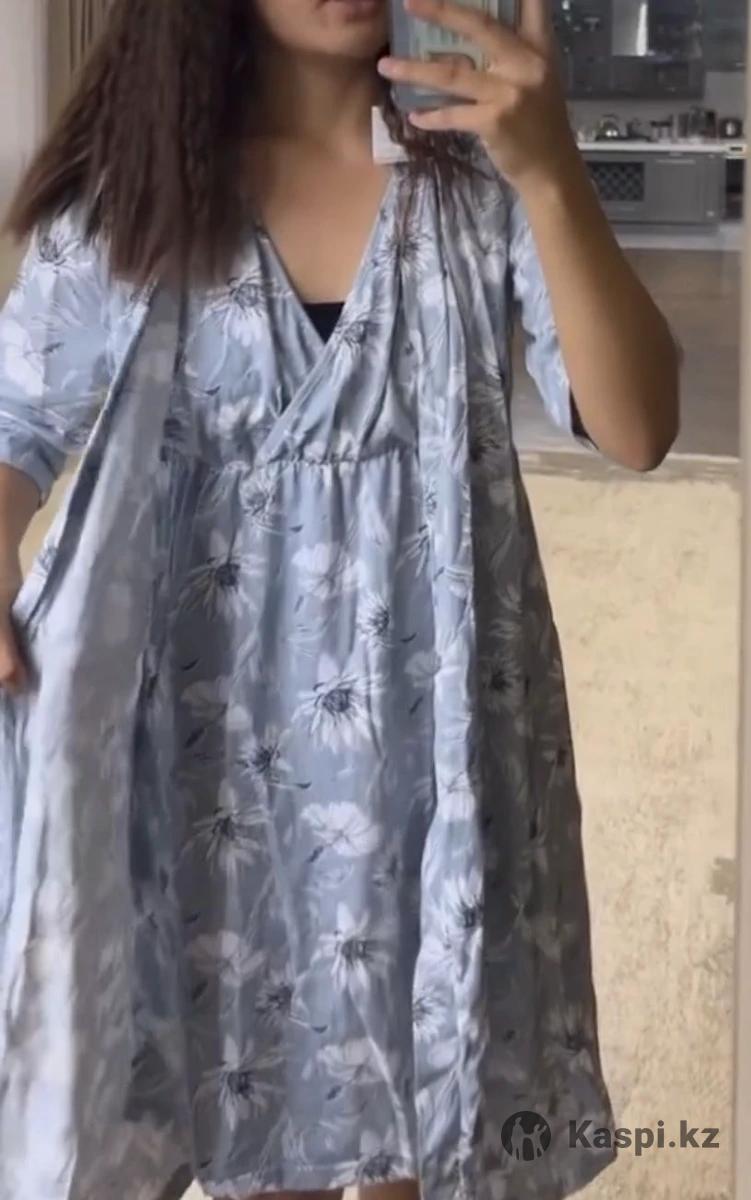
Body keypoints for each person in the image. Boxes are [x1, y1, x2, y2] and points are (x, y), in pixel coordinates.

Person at [0, 0, 679, 1199]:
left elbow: (634, 428)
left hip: (440, 738)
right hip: (218, 750)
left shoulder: (478, 177)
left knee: (427, 1100)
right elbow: (18, 419)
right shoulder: (136, 190)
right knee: (253, 1103)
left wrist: (551, 171)